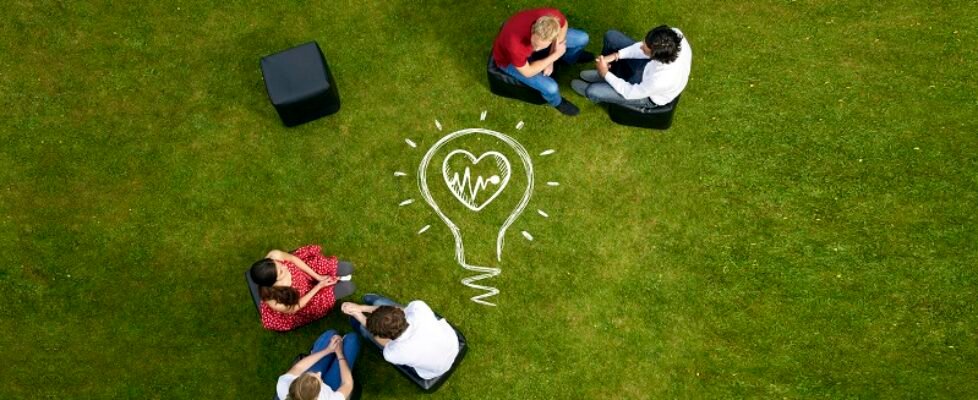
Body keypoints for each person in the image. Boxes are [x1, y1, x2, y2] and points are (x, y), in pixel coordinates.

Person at [491, 7, 593, 116]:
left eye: (541, 46)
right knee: (551, 88)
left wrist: (551, 59)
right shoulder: (515, 45)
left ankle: (569, 59)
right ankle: (557, 102)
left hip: (538, 46)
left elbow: (564, 26)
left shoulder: (553, 17)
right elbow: (528, 72)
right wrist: (554, 56)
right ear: (533, 29)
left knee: (583, 38)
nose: (535, 50)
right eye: (535, 44)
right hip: (507, 61)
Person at [571, 26, 692, 112]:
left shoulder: (660, 79)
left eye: (645, 47)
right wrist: (614, 56)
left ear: (655, 56)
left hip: (647, 95)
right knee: (611, 36)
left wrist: (605, 73)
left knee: (593, 90)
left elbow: (629, 92)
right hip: (649, 70)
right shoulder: (674, 34)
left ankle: (593, 87)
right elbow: (641, 50)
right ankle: (606, 74)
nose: (641, 45)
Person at [341, 294, 459, 380]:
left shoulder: (394, 353)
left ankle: (357, 321)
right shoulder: (419, 309)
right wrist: (362, 308)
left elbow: (381, 341)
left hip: (434, 370)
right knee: (381, 304)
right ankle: (376, 302)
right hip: (451, 343)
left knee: (365, 330)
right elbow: (397, 310)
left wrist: (358, 314)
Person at [250, 245, 355, 331]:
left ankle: (333, 278)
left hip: (303, 273)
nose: (285, 266)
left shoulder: (274, 255)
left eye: (279, 264)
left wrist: (317, 276)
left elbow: (293, 259)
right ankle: (334, 281)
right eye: (281, 272)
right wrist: (319, 286)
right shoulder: (274, 300)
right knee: (349, 287)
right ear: (273, 283)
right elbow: (296, 306)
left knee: (349, 267)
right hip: (304, 299)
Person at [276, 330, 360, 400]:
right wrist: (340, 354)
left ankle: (330, 354)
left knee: (331, 335)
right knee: (352, 340)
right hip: (332, 390)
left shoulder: (283, 385)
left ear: (295, 382)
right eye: (318, 377)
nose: (319, 373)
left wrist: (327, 350)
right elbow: (347, 384)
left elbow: (299, 367)